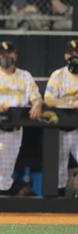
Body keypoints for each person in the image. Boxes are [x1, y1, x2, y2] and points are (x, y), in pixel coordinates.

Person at [0, 41, 42, 195]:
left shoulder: (25, 76)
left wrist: (37, 104)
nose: (6, 57)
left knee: (4, 175)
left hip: (13, 130)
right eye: (2, 54)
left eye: (9, 53)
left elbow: (36, 97)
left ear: (15, 55)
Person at [44, 39, 78, 196]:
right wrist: (68, 101)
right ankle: (60, 203)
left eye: (77, 52)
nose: (74, 56)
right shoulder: (57, 75)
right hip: (60, 129)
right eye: (71, 53)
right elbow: (48, 99)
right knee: (59, 168)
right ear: (65, 55)